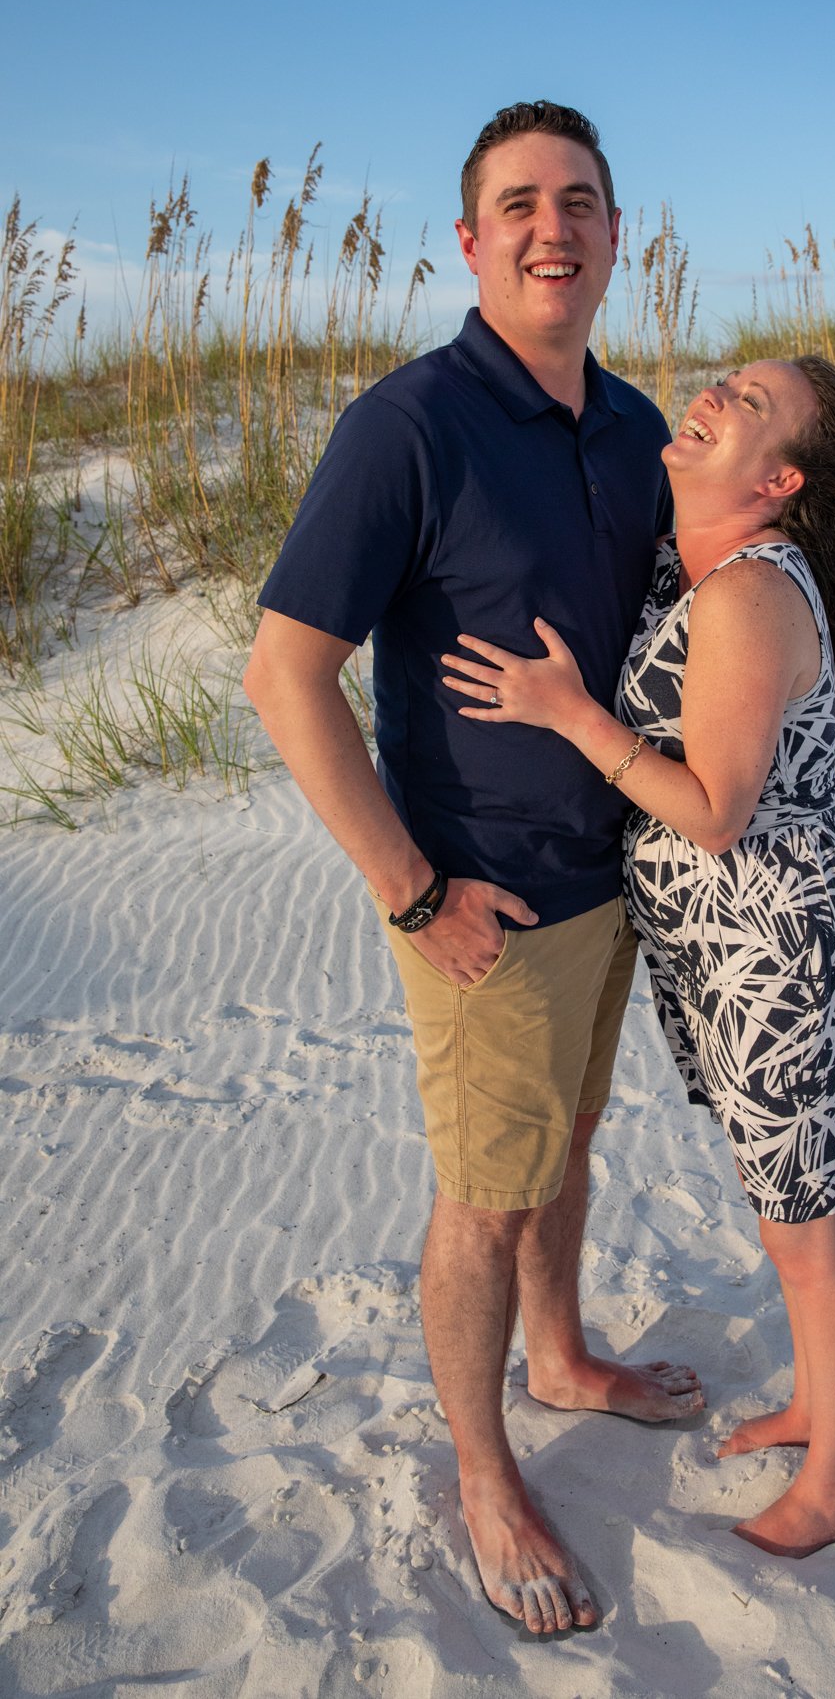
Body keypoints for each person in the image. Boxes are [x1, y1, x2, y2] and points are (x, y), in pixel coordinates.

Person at [243, 101, 703, 1638]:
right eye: (518, 204)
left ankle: (561, 1360)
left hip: (613, 884)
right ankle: (486, 1468)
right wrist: (411, 888)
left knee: (568, 1148)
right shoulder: (410, 425)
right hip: (482, 907)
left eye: (578, 200)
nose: (550, 228)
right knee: (484, 1204)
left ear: (617, 233)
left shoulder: (637, 426)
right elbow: (284, 675)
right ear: (469, 240)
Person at [441, 352, 835, 1559]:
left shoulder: (746, 595)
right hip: (735, 954)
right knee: (790, 1216)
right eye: (730, 377)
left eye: (754, 403)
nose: (719, 393)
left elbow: (717, 811)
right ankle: (819, 1410)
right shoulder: (708, 570)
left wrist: (569, 713)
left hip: (773, 954)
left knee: (809, 1235)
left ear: (780, 480)